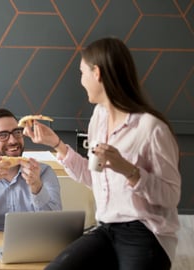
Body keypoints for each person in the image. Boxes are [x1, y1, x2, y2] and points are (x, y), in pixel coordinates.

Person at [24, 37, 181, 269]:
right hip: (107, 229)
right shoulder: (99, 117)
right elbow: (93, 178)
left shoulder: (151, 128)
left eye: (82, 73)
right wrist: (56, 144)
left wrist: (128, 170)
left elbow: (170, 196)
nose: (81, 81)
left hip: (147, 232)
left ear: (96, 72)